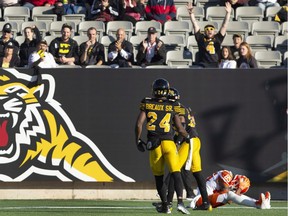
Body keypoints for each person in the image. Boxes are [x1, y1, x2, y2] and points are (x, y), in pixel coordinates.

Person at [135, 78, 190, 214]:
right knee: (176, 173)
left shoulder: (147, 103)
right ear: (167, 90)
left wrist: (138, 140)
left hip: (154, 145)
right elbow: (179, 128)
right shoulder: (172, 105)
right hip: (169, 143)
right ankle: (181, 203)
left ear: (154, 90)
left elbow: (138, 124)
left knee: (159, 177)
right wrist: (187, 137)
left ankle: (165, 205)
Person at [165, 87, 211, 210]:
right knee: (197, 172)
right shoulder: (182, 107)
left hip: (188, 140)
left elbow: (183, 126)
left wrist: (178, 141)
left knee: (174, 170)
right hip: (195, 140)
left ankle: (167, 202)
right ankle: (206, 202)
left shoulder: (177, 108)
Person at [189, 170, 271, 210]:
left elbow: (230, 200)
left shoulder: (230, 187)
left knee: (230, 195)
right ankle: (258, 204)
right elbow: (225, 190)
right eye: (238, 187)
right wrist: (239, 189)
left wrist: (238, 191)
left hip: (208, 201)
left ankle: (260, 203)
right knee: (229, 194)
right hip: (201, 201)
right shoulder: (227, 174)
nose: (237, 190)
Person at [187, 1, 232, 68]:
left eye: (211, 29)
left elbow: (224, 26)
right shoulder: (201, 38)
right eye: (207, 30)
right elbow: (195, 25)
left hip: (215, 65)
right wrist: (191, 14)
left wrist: (228, 13)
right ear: (204, 32)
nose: (209, 31)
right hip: (203, 65)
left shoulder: (218, 38)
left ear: (214, 32)